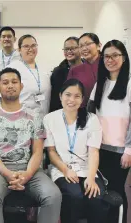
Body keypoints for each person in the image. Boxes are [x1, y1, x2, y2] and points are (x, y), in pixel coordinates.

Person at [0, 67, 62, 223]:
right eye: (5, 82)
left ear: (21, 86)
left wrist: (27, 175)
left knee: (53, 195)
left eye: (14, 82)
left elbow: (37, 152)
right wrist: (8, 174)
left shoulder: (35, 116)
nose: (10, 85)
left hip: (28, 168)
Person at [44, 79, 109, 223]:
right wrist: (65, 170)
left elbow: (93, 152)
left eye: (77, 96)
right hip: (62, 169)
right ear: (60, 96)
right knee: (74, 195)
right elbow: (51, 151)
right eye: (68, 95)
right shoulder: (49, 119)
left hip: (87, 169)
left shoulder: (92, 119)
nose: (71, 100)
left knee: (95, 197)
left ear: (82, 99)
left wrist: (91, 178)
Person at [88, 40, 131, 223]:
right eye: (106, 56)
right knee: (102, 194)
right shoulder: (100, 85)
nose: (110, 60)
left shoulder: (129, 84)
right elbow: (90, 115)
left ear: (124, 58)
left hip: (120, 151)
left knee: (117, 192)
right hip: (98, 149)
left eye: (115, 55)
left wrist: (129, 150)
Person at [7, 34, 51, 116]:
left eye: (33, 45)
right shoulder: (12, 69)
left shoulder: (44, 69)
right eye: (26, 46)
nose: (30, 49)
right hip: (21, 120)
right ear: (19, 49)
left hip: (43, 119)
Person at [67, 33, 101, 108]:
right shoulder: (75, 70)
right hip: (83, 114)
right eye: (81, 46)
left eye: (87, 44)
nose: (84, 48)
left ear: (99, 45)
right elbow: (69, 95)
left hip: (108, 114)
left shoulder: (109, 66)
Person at [49, 36, 83, 112]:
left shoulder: (88, 68)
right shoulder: (58, 72)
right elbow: (55, 99)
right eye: (66, 49)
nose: (69, 51)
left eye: (72, 48)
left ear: (80, 48)